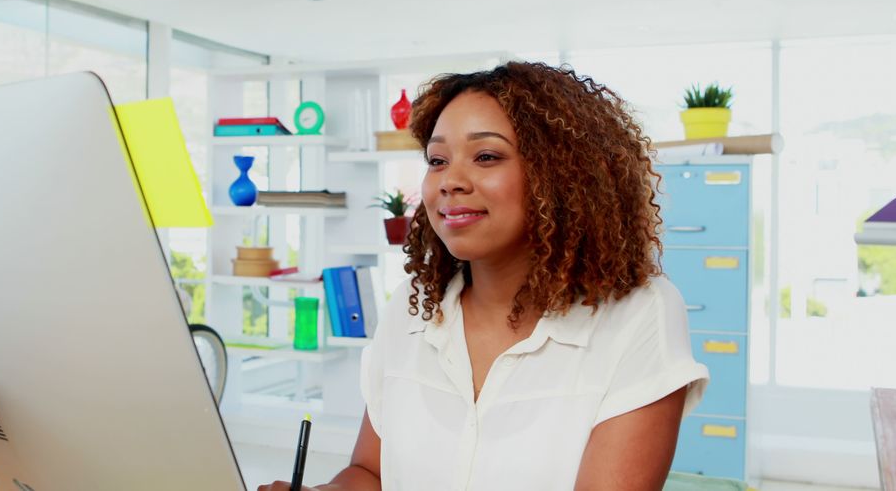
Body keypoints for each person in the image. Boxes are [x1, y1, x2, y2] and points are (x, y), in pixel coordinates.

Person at [260, 61, 709, 491]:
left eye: (487, 156)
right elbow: (370, 473)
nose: (450, 180)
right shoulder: (412, 306)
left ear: (560, 176)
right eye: (437, 161)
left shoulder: (639, 313)